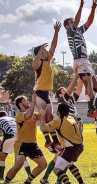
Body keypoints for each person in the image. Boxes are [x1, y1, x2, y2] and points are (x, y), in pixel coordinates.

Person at [0, 94, 48, 184]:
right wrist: (34, 102)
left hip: (33, 144)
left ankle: (27, 182)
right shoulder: (19, 115)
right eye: (26, 101)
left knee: (43, 164)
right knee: (18, 165)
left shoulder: (33, 113)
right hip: (21, 144)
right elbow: (28, 115)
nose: (28, 102)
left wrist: (43, 101)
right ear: (21, 104)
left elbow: (44, 114)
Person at [40, 71, 83, 184]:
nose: (65, 91)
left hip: (72, 130)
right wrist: (75, 76)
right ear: (59, 95)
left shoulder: (71, 101)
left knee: (62, 158)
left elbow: (78, 90)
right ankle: (55, 181)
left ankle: (49, 179)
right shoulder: (62, 100)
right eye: (62, 91)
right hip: (66, 131)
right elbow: (70, 90)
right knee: (62, 158)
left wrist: (82, 78)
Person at [41, 103, 87, 184]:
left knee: (57, 169)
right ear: (68, 111)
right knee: (69, 164)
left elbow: (43, 128)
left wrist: (42, 116)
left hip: (70, 148)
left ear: (58, 111)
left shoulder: (58, 120)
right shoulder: (71, 118)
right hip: (80, 146)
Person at [64, 0, 97, 100]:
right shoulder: (70, 32)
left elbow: (89, 22)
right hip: (80, 61)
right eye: (71, 22)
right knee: (88, 85)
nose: (74, 23)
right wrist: (81, 6)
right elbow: (77, 21)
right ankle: (91, 106)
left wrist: (93, 9)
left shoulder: (79, 31)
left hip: (85, 60)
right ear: (67, 26)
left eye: (73, 22)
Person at [32, 21, 61, 151]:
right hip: (39, 93)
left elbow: (54, 46)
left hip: (47, 93)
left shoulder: (48, 59)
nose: (46, 50)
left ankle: (55, 141)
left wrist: (56, 32)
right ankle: (48, 141)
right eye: (43, 49)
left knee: (50, 117)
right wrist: (39, 50)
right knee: (43, 116)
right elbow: (33, 64)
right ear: (39, 52)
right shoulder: (37, 64)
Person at [0, 111, 31, 181]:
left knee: (2, 158)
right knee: (23, 158)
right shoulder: (12, 118)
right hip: (20, 137)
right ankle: (30, 176)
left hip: (9, 135)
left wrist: (0, 142)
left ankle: (1, 176)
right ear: (6, 115)